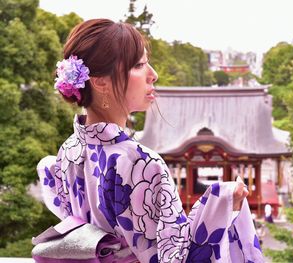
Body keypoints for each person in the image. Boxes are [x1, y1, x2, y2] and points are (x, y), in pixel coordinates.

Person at [37, 19, 264, 262]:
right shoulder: (141, 164)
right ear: (100, 81)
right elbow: (175, 256)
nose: (153, 74)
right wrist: (223, 200)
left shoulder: (69, 150)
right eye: (139, 65)